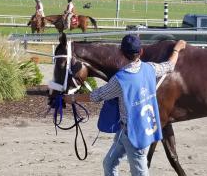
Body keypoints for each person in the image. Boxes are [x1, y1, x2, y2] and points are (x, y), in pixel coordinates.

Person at [64, 35, 187, 176]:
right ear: (140, 52)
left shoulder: (120, 80)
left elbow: (96, 96)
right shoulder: (150, 68)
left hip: (134, 135)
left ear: (122, 53)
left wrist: (71, 98)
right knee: (109, 164)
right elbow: (169, 66)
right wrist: (177, 49)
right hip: (129, 132)